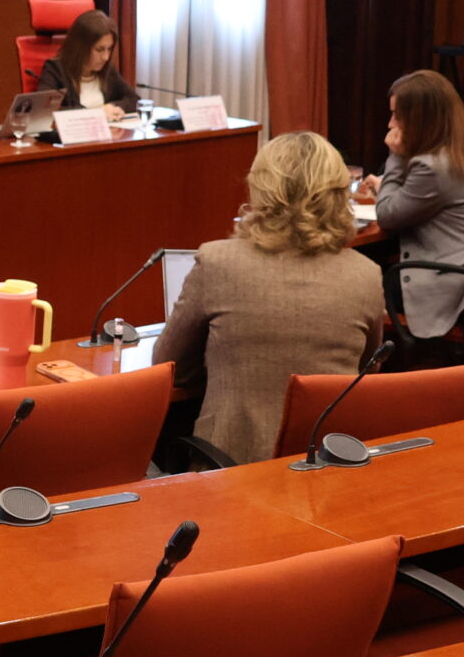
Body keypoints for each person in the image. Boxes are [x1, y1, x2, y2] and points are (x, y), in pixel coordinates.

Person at [156, 132, 387, 462]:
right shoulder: (366, 274)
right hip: (330, 464)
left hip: (230, 466)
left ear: (261, 189)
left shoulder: (218, 261)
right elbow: (367, 370)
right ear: (337, 194)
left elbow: (171, 368)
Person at [355, 71, 464, 339]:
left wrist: (395, 157)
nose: (390, 124)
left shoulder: (433, 167)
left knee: (355, 284)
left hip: (456, 288)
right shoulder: (463, 151)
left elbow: (387, 216)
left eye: (397, 116)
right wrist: (392, 186)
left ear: (420, 121)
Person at [36, 8, 140, 118]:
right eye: (99, 50)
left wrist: (111, 107)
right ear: (81, 47)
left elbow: (134, 100)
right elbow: (44, 110)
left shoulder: (107, 70)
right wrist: (96, 112)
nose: (106, 57)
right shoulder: (55, 70)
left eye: (109, 49)